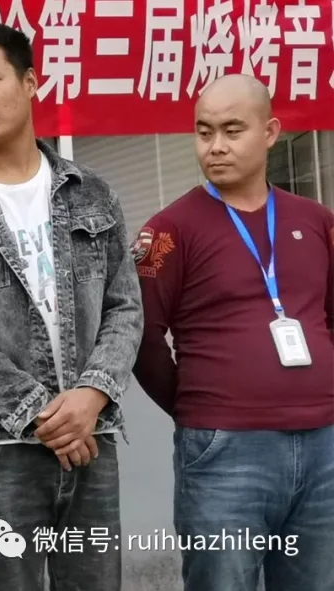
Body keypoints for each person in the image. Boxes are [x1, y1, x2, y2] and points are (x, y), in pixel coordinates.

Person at [0, 24, 143, 591]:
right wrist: (43, 414)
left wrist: (91, 395)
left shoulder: (92, 192)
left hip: (92, 438)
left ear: (31, 82)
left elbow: (125, 307)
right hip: (0, 449)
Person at [132, 74, 334, 591]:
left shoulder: (317, 222)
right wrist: (199, 407)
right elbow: (142, 337)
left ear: (270, 132)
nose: (215, 146)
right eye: (204, 132)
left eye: (232, 130)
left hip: (325, 447)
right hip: (224, 451)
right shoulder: (168, 231)